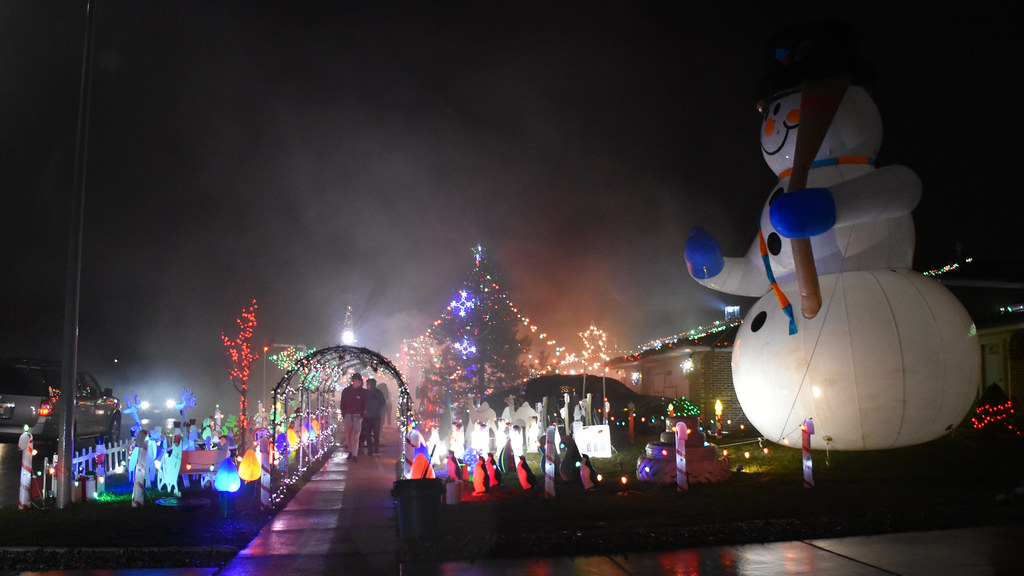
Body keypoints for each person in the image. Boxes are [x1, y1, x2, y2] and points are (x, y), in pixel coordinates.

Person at [340, 373, 367, 461]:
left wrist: (362, 415)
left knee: (356, 435)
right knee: (348, 434)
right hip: (348, 415)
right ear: (353, 381)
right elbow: (342, 403)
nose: (357, 383)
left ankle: (354, 454)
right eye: (356, 381)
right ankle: (350, 452)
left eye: (359, 382)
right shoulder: (346, 391)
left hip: (357, 415)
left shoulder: (362, 392)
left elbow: (364, 404)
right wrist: (344, 413)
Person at [359, 378, 386, 455]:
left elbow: (382, 403)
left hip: (369, 416)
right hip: (374, 416)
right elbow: (383, 403)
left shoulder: (366, 393)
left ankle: (371, 449)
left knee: (369, 433)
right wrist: (379, 411)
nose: (366, 386)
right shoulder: (379, 393)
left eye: (367, 384)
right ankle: (375, 448)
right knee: (375, 433)